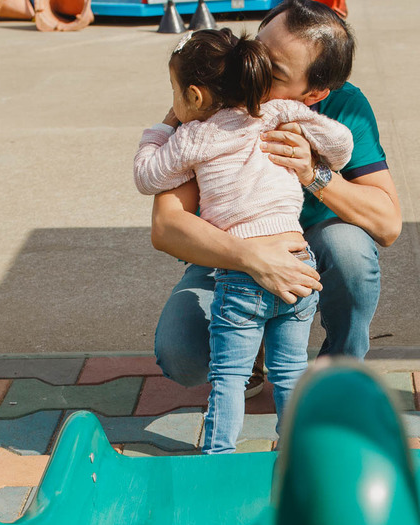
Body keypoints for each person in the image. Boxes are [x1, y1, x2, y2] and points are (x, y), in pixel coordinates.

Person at [151, 0, 402, 391]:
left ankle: (335, 380)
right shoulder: (213, 93)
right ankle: (250, 348)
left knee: (349, 249)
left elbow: (387, 224)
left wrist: (314, 173)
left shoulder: (345, 107)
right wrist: (254, 260)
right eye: (254, 51)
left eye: (274, 70)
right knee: (182, 356)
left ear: (314, 93)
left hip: (307, 249)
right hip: (230, 257)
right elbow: (167, 226)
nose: (249, 69)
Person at [133, 28, 353, 454]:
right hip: (298, 264)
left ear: (195, 97)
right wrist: (311, 154)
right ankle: (297, 456)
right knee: (290, 373)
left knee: (229, 376)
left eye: (175, 92)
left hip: (241, 278)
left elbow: (147, 175)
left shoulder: (194, 135)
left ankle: (219, 458)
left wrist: (164, 125)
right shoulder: (277, 113)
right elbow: (342, 147)